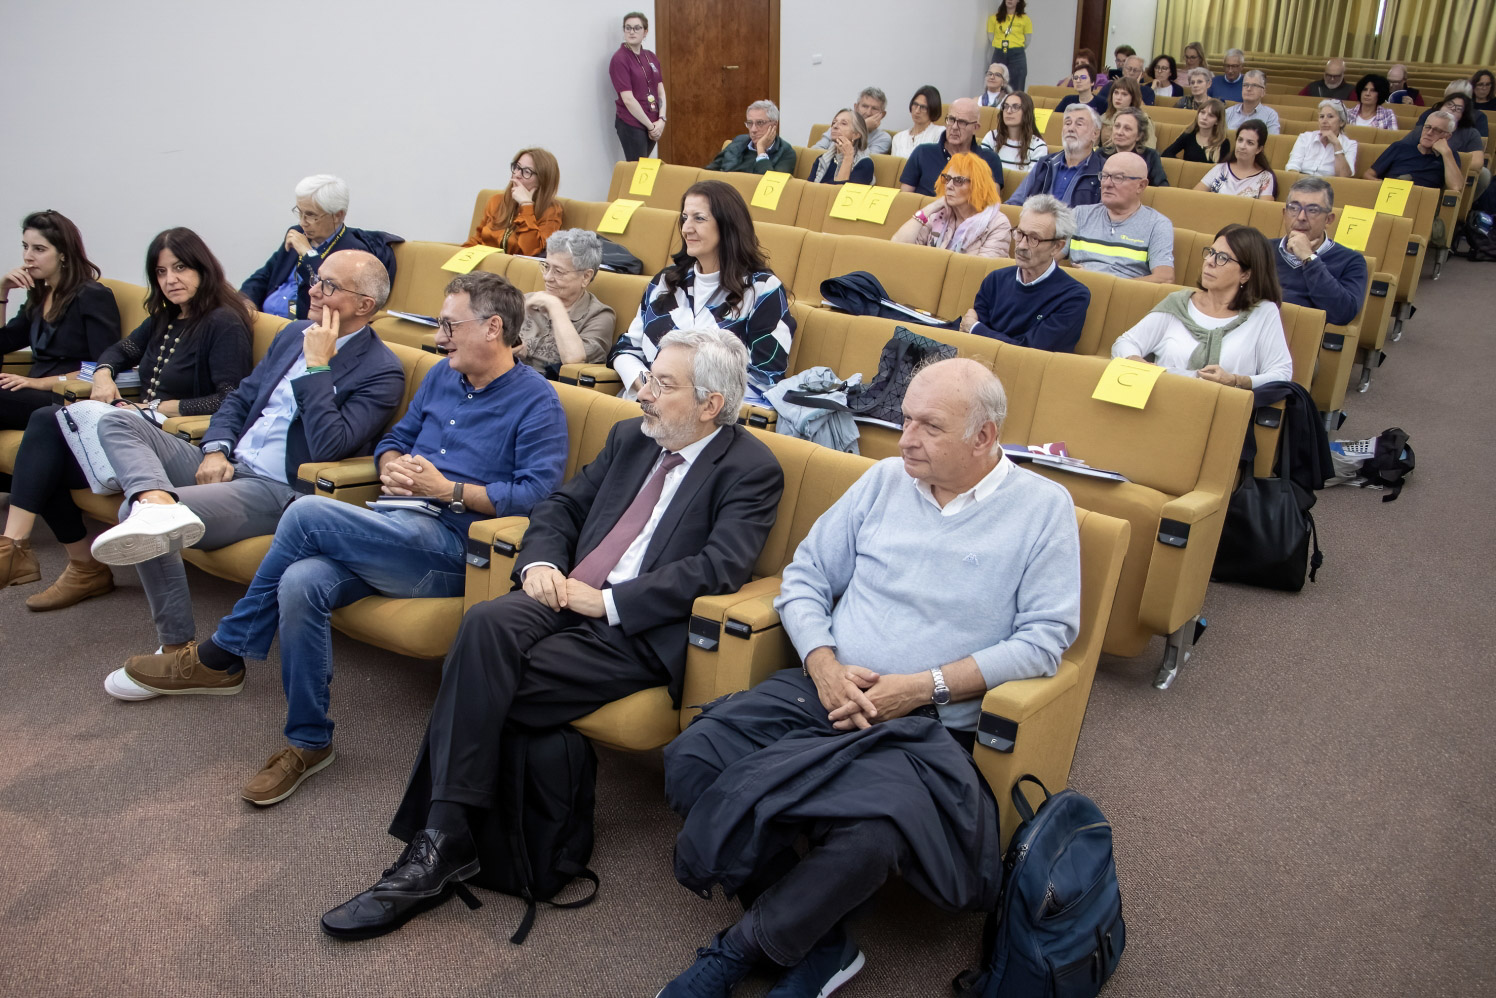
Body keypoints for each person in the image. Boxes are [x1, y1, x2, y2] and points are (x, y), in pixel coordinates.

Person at [320, 327, 786, 941]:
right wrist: (539, 563)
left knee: (476, 681)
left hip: (633, 629)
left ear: (710, 404)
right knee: (483, 624)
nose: (643, 392)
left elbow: (718, 567)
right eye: (647, 377)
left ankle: (434, 848)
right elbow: (561, 508)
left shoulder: (751, 469)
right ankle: (445, 843)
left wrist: (611, 602)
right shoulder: (631, 437)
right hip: (562, 591)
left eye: (661, 384)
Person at [655, 357, 1081, 998]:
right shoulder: (883, 481)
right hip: (822, 691)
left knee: (871, 838)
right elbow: (804, 579)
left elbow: (1044, 641)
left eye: (929, 426)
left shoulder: (1042, 509)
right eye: (905, 419)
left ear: (984, 436)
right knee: (694, 758)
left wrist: (922, 686)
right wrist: (822, 663)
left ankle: (736, 951)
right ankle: (825, 946)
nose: (906, 438)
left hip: (922, 724)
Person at [113, 272, 571, 805]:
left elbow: (538, 496)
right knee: (301, 581)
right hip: (394, 524)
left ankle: (223, 652)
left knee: (307, 512)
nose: (439, 336)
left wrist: (450, 490)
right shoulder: (443, 377)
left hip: (452, 551)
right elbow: (396, 438)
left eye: (450, 325)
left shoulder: (537, 401)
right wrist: (392, 463)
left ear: (492, 328)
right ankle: (308, 741)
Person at [87, 250, 406, 698]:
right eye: (316, 279)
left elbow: (329, 447)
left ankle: (178, 648)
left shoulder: (382, 370)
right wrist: (216, 449)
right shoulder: (293, 332)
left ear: (364, 305)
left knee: (130, 513)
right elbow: (239, 399)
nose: (313, 290)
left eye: (329, 286)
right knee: (117, 422)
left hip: (275, 488)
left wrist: (317, 365)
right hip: (228, 462)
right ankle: (156, 502)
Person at [0, 229, 253, 604]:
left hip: (175, 443)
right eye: (161, 272)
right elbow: (119, 352)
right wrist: (103, 374)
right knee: (45, 439)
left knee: (46, 430)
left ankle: (39, 557)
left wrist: (153, 408)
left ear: (203, 268)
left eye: (180, 268)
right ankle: (45, 557)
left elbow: (229, 398)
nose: (170, 280)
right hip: (134, 429)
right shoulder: (166, 316)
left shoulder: (223, 322)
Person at [612, 182, 794, 407]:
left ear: (727, 225)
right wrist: (649, 385)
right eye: (684, 218)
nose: (686, 228)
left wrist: (680, 396)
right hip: (643, 404)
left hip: (709, 416)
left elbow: (766, 377)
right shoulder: (665, 282)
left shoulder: (762, 289)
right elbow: (627, 348)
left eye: (699, 218)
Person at [1112, 223, 1293, 388]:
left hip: (1224, 406)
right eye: (1211, 252)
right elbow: (1126, 343)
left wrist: (1236, 380)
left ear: (1245, 274)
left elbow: (1281, 374)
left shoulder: (1263, 312)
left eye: (1222, 258)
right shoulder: (1179, 304)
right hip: (1163, 400)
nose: (1210, 262)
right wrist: (1135, 360)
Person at [0, 210, 119, 432]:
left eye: (39, 249)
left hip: (66, 396)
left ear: (63, 254)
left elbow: (103, 365)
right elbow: (3, 342)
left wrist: (37, 383)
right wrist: (2, 291)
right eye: (25, 247)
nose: (28, 256)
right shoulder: (40, 295)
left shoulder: (92, 295)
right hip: (31, 393)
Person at [240, 175, 398, 322]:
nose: (303, 222)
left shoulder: (351, 253)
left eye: (311, 215)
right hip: (265, 321)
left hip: (303, 327)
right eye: (300, 212)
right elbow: (265, 275)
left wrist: (308, 254)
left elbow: (330, 293)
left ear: (337, 215)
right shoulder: (298, 234)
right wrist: (246, 302)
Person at [962, 195, 1089, 351]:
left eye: (1034, 238)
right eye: (1020, 233)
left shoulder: (1073, 297)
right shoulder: (995, 280)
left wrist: (976, 329)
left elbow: (1030, 352)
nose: (1021, 245)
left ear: (1057, 247)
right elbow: (975, 345)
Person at [516, 229, 616, 375]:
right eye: (546, 267)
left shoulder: (599, 316)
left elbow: (574, 358)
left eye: (558, 271)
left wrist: (555, 306)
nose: (547, 277)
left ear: (586, 277)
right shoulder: (526, 300)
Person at [1273, 178, 1368, 328]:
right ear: (1285, 214)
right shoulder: (1260, 249)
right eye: (1294, 208)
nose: (1301, 217)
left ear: (1328, 220)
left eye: (1312, 210)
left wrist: (1309, 258)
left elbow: (1343, 314)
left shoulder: (1351, 261)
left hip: (1303, 336)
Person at [1069, 151, 1175, 282]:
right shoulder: (1080, 214)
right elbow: (1048, 258)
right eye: (1104, 176)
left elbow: (1164, 278)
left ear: (1141, 186)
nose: (1107, 184)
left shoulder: (1157, 224)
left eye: (1118, 178)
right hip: (1076, 290)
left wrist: (1104, 284)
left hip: (1126, 294)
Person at [892, 153, 1012, 257]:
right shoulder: (939, 214)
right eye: (947, 178)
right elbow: (896, 249)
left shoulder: (998, 224)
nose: (949, 185)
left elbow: (982, 270)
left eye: (958, 180)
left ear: (978, 186)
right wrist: (929, 209)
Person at [464, 149, 563, 256]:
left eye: (527, 172)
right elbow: (477, 241)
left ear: (542, 181)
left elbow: (531, 252)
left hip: (516, 266)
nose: (517, 175)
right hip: (487, 263)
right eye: (517, 167)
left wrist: (526, 205)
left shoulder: (551, 212)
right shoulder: (496, 201)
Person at [899, 98, 1005, 197]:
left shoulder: (989, 159)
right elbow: (905, 199)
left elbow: (991, 204)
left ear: (975, 128)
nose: (954, 127)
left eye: (962, 122)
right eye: (951, 119)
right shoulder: (922, 152)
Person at [1006, 105, 1106, 207]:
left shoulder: (1103, 171)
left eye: (1079, 124)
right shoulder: (1045, 163)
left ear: (1095, 134)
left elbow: (1103, 214)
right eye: (1067, 123)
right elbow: (1015, 202)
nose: (1071, 129)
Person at [610, 11, 666, 161]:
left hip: (654, 121)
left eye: (637, 28)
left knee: (644, 168)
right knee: (638, 169)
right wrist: (651, 127)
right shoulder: (619, 59)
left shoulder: (651, 56)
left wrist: (661, 119)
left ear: (645, 32)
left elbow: (660, 90)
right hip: (632, 123)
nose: (631, 32)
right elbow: (628, 99)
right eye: (628, 28)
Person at [1364, 111, 1465, 191]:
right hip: (1389, 195)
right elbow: (1368, 175)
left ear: (1447, 136)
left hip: (1421, 202)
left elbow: (1456, 187)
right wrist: (1384, 186)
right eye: (1427, 127)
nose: (1429, 133)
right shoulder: (1400, 147)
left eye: (1437, 130)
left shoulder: (1449, 156)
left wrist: (1446, 153)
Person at [704, 100, 797, 175]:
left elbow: (771, 185)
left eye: (760, 123)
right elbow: (709, 171)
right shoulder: (739, 141)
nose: (753, 129)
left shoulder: (786, 153)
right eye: (750, 123)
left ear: (774, 125)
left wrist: (761, 149)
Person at [1196, 120, 1277, 199]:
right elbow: (1195, 196)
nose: (1242, 146)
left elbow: (1264, 207)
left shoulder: (1265, 178)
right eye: (1240, 140)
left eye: (1250, 143)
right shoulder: (1220, 169)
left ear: (1259, 149)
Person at [1285, 101, 1357, 177]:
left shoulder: (1350, 145)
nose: (1324, 121)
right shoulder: (1305, 137)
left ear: (1341, 122)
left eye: (1330, 116)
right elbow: (1292, 167)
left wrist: (1337, 145)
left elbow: (1344, 176)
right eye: (1321, 117)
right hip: (1301, 180)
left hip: (1328, 183)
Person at [983, 91, 1048, 174]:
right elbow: (981, 171)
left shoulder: (1038, 146)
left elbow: (1031, 180)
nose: (1009, 111)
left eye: (1015, 107)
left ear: (1026, 112)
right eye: (1006, 106)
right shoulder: (991, 137)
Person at [1103, 107, 1169, 188]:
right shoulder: (1101, 154)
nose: (1119, 132)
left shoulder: (1150, 156)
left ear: (1139, 135)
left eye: (1127, 129)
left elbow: (1162, 187)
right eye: (1117, 126)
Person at [812, 89, 892, 155]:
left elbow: (866, 161)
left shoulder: (883, 138)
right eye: (865, 106)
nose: (868, 113)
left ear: (882, 114)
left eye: (874, 108)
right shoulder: (837, 126)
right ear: (856, 108)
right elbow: (814, 151)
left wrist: (862, 128)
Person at [809, 109, 874, 185]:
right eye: (834, 122)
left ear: (856, 135)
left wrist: (848, 157)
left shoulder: (864, 164)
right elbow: (808, 188)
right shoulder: (822, 159)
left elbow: (841, 190)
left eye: (843, 123)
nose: (835, 126)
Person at [1162, 99, 1231, 163]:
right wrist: (1184, 165)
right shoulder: (1189, 135)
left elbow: (1224, 168)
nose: (1204, 118)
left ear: (1217, 121)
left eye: (1211, 115)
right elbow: (1166, 153)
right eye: (1202, 112)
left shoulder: (1223, 143)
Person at [987, 0, 1033, 91]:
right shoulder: (994, 18)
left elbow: (1027, 40)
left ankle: (1015, 100)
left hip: (1017, 54)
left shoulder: (1025, 19)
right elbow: (991, 36)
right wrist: (999, 45)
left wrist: (1015, 46)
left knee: (1017, 86)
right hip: (999, 53)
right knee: (995, 83)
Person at [892, 86, 945, 159]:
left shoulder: (940, 133)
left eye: (923, 107)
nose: (917, 111)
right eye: (915, 104)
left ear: (933, 109)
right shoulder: (898, 138)